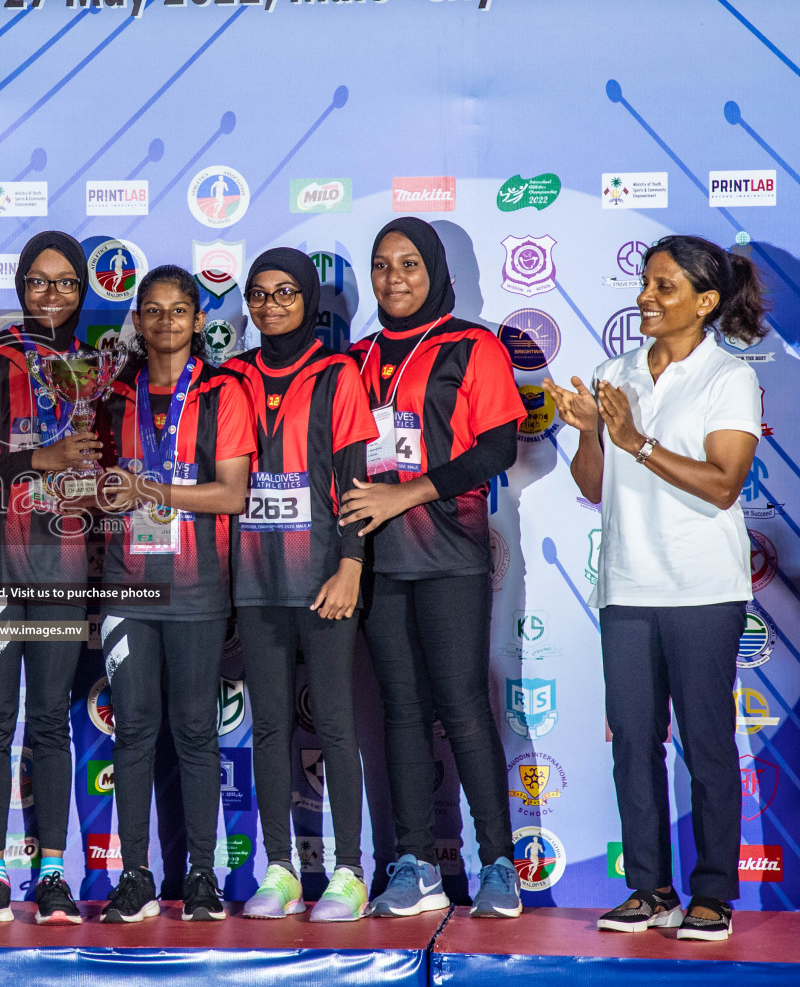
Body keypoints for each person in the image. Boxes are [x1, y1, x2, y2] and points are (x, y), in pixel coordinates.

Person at [544, 235, 764, 943]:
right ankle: (648, 889)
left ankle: (712, 895)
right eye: (645, 283)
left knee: (705, 743)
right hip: (627, 587)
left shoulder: (729, 376)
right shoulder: (617, 371)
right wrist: (587, 433)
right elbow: (593, 489)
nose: (645, 296)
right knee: (632, 743)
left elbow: (724, 485)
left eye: (664, 287)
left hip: (702, 588)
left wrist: (635, 440)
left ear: (704, 302)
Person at [342, 217, 525, 920]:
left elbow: (499, 448)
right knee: (402, 712)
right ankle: (414, 864)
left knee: (462, 707)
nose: (394, 278)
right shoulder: (352, 359)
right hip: (381, 561)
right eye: (382, 264)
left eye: (410, 264)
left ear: (436, 270)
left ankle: (498, 867)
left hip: (449, 552)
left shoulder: (470, 344)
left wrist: (406, 494)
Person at [0, 232, 99, 926]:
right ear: (20, 289)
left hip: (64, 569)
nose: (52, 294)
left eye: (66, 282)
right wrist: (42, 458)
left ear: (83, 290)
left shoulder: (99, 367)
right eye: (39, 281)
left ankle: (52, 877)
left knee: (49, 725)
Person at [94, 265, 253, 923]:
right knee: (132, 733)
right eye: (151, 310)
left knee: (194, 733)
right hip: (127, 590)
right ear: (136, 321)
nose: (164, 321)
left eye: (177, 310)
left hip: (196, 590)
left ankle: (200, 877)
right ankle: (134, 875)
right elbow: (95, 489)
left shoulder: (223, 392)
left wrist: (152, 493)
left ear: (197, 322)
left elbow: (232, 494)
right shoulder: (110, 396)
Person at [225, 249, 379, 922]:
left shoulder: (337, 372)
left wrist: (352, 563)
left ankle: (349, 871)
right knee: (267, 728)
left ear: (309, 298)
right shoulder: (229, 375)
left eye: (285, 292)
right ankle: (281, 869)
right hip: (255, 578)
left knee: (336, 723)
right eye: (258, 294)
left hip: (322, 575)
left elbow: (353, 476)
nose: (270, 305)